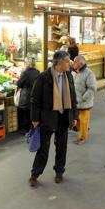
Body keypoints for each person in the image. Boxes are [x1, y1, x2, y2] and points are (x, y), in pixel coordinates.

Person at [29, 50, 78, 187]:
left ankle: (59, 172)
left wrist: (74, 115)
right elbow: (35, 99)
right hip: (47, 117)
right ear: (59, 63)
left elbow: (73, 98)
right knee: (43, 148)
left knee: (62, 147)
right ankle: (35, 173)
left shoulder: (69, 76)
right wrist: (35, 118)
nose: (70, 63)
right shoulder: (43, 77)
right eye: (68, 61)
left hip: (64, 116)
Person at [72, 55, 97, 145]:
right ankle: (85, 129)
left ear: (81, 63)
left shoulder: (89, 73)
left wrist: (83, 98)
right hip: (75, 103)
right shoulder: (75, 72)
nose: (73, 63)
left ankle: (82, 138)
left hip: (84, 103)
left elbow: (92, 88)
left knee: (83, 120)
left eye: (75, 62)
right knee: (77, 120)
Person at [16, 56, 40, 134]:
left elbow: (19, 83)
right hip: (34, 95)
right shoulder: (37, 72)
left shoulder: (25, 72)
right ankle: (31, 129)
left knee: (25, 114)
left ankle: (25, 130)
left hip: (26, 96)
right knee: (31, 113)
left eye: (25, 63)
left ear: (27, 63)